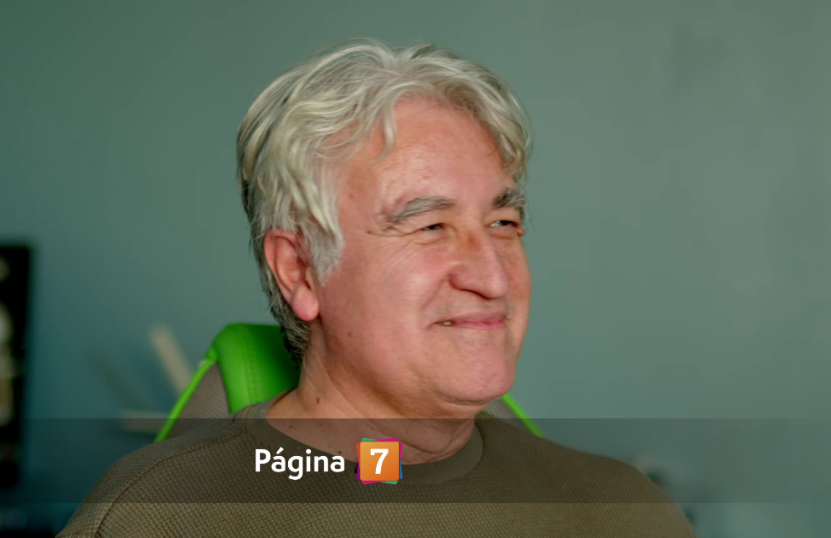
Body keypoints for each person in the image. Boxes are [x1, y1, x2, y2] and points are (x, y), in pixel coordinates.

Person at [59, 39, 697, 537]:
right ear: (300, 271)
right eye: (429, 226)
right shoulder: (160, 517)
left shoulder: (625, 512)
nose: (494, 277)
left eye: (503, 223)